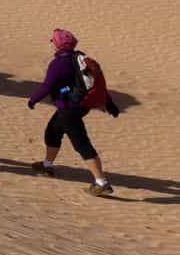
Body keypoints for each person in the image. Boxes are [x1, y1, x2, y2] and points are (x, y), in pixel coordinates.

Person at [28, 28, 120, 196]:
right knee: (53, 131)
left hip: (69, 108)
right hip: (79, 106)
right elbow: (95, 83)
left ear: (58, 44)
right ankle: (47, 165)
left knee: (81, 144)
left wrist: (33, 100)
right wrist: (109, 104)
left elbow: (47, 86)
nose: (52, 44)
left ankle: (101, 182)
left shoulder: (58, 63)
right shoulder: (80, 59)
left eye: (53, 41)